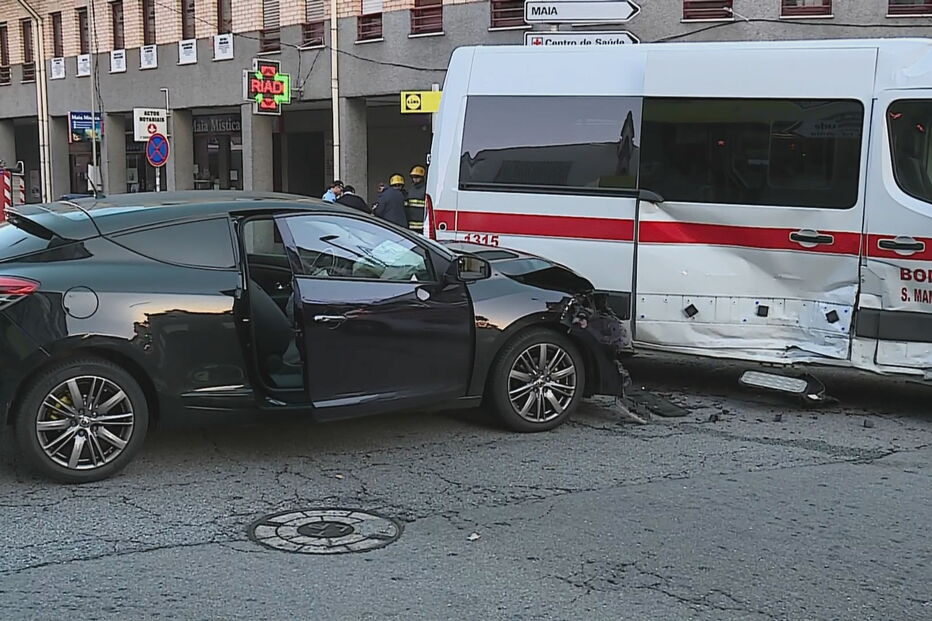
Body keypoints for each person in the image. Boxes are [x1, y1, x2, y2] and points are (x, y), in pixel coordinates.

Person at [405, 165, 427, 233]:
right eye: (413, 177)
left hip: (421, 225)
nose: (414, 179)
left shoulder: (426, 189)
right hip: (411, 223)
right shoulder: (411, 188)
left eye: (417, 177)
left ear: (422, 177)